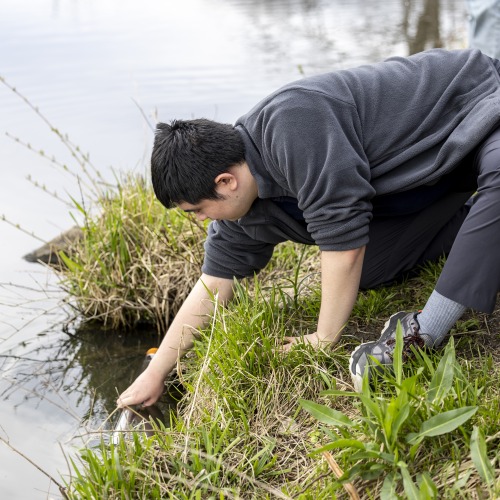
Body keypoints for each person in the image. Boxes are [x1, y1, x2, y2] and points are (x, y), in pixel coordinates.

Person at [117, 48, 500, 407]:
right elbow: (214, 285)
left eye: (197, 210)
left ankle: (423, 330)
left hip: (481, 106)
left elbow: (343, 242)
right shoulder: (243, 211)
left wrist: (323, 338)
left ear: (225, 182)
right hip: (438, 177)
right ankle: (478, 228)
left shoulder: (291, 122)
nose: (201, 221)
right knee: (367, 270)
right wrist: (156, 372)